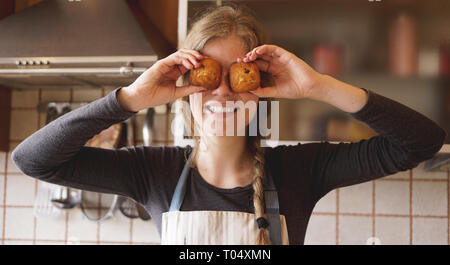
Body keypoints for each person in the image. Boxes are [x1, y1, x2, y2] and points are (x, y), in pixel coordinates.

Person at [12, 4, 446, 245]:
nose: (222, 92)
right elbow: (33, 160)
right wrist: (128, 99)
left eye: (238, 77)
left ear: (261, 85)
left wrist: (319, 85)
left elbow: (422, 142)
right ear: (183, 84)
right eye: (207, 74)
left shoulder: (300, 171)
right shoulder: (151, 172)